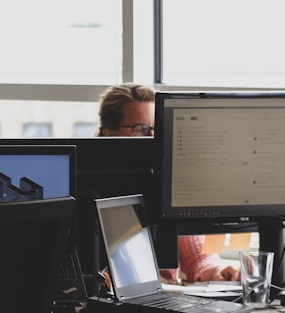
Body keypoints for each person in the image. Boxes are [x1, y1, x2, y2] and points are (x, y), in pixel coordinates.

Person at [96, 83, 240, 283]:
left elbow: (198, 256)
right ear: (108, 133)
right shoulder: (88, 188)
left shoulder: (167, 182)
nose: (154, 137)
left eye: (158, 129)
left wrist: (217, 270)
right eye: (142, 129)